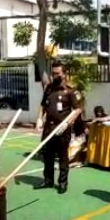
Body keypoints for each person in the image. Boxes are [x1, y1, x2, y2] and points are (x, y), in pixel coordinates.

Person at [34, 61, 81, 194]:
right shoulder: (49, 88)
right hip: (49, 127)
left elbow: (77, 110)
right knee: (47, 156)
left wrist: (67, 123)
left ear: (64, 74)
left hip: (62, 129)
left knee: (62, 157)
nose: (55, 76)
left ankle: (62, 182)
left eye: (57, 73)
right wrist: (39, 119)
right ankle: (48, 180)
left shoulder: (70, 90)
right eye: (53, 73)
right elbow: (43, 105)